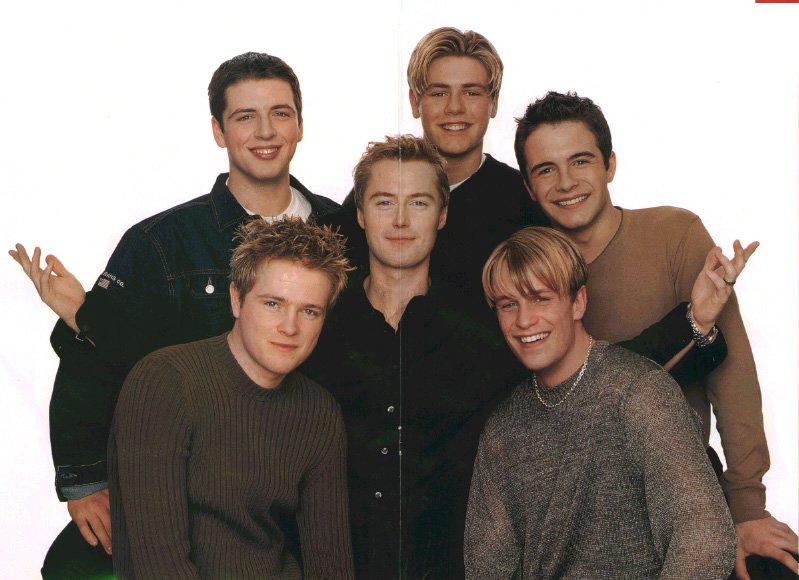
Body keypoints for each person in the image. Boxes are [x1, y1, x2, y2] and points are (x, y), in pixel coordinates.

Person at [306, 135, 731, 578]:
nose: (400, 220)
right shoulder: (318, 326)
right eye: (383, 202)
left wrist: (693, 322)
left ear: (443, 214)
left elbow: (583, 372)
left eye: (418, 202)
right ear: (360, 214)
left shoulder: (485, 326)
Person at [9, 52, 338, 578]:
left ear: (300, 124)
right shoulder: (161, 242)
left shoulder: (343, 232)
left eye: (280, 113)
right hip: (181, 491)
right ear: (218, 131)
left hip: (300, 489)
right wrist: (84, 482)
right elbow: (91, 361)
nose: (265, 131)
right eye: (245, 116)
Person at [513, 91, 798, 579]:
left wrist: (746, 506)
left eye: (580, 161)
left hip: (687, 488)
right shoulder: (525, 272)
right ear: (528, 186)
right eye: (545, 170)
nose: (565, 183)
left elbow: (732, 376)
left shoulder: (674, 233)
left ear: (610, 164)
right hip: (581, 511)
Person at [465, 226, 738, 579]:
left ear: (577, 303)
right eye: (508, 305)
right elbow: (486, 569)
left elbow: (705, 537)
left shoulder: (640, 392)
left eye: (541, 299)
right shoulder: (503, 428)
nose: (524, 321)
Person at [109, 217, 353, 578]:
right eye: (273, 304)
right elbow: (160, 568)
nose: (290, 327)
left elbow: (330, 565)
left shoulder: (319, 411)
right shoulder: (165, 381)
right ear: (236, 299)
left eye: (309, 311)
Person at [331, 27, 548, 310]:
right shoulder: (376, 193)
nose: (455, 108)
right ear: (415, 102)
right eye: (439, 93)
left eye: (471, 92)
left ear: (493, 103)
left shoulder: (522, 202)